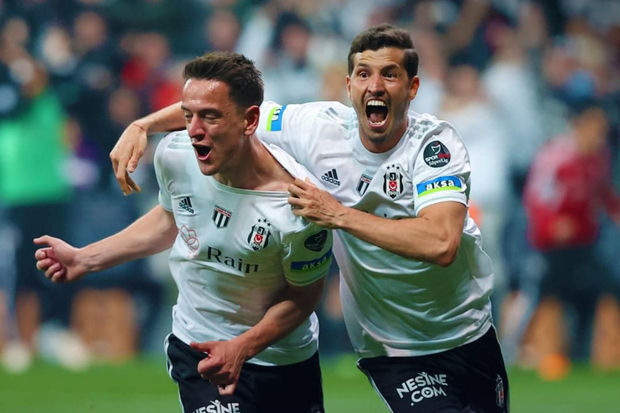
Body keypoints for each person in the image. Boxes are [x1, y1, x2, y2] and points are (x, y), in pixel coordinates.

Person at [110, 24, 509, 412]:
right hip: (392, 347)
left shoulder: (434, 146)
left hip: (468, 330)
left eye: (390, 74)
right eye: (364, 74)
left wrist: (339, 215)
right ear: (349, 86)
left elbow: (441, 242)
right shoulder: (317, 128)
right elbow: (224, 110)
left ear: (413, 87)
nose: (375, 85)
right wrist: (143, 125)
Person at [34, 52, 332, 413]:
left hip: (283, 360)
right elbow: (171, 219)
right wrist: (86, 258)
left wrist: (243, 347)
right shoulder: (175, 155)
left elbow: (304, 295)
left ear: (250, 120)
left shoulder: (299, 206)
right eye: (188, 115)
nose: (193, 130)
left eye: (211, 117)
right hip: (198, 346)